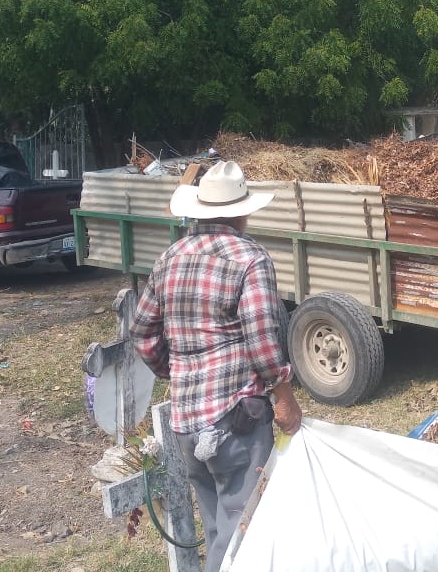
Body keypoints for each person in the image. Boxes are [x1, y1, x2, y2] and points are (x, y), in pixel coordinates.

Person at [130, 160, 303, 572]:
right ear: (241, 212)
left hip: (187, 423)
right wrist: (284, 400)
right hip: (235, 421)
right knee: (243, 533)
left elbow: (141, 332)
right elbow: (263, 340)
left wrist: (176, 372)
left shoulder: (170, 258)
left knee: (217, 528)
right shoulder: (249, 259)